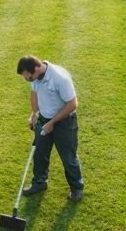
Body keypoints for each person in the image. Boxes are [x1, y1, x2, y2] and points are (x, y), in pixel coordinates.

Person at [16, 55, 84, 202]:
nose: (28, 80)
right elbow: (34, 93)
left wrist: (52, 122)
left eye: (28, 77)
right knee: (39, 154)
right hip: (44, 119)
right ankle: (39, 183)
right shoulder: (35, 78)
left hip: (65, 122)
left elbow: (72, 104)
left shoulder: (59, 78)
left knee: (68, 157)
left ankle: (76, 189)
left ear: (37, 68)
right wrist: (34, 114)